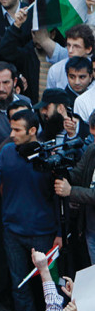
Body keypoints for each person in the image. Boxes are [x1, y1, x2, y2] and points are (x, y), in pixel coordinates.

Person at [0, 109, 61, 311]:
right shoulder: (7, 152)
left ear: (32, 130)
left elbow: (58, 197)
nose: (12, 134)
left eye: (17, 130)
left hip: (44, 233)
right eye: (11, 128)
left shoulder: (49, 154)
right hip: (13, 233)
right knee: (19, 284)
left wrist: (59, 233)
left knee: (50, 283)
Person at [55, 111, 95, 264]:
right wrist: (59, 171)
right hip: (90, 229)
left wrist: (71, 191)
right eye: (93, 136)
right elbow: (78, 173)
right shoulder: (92, 150)